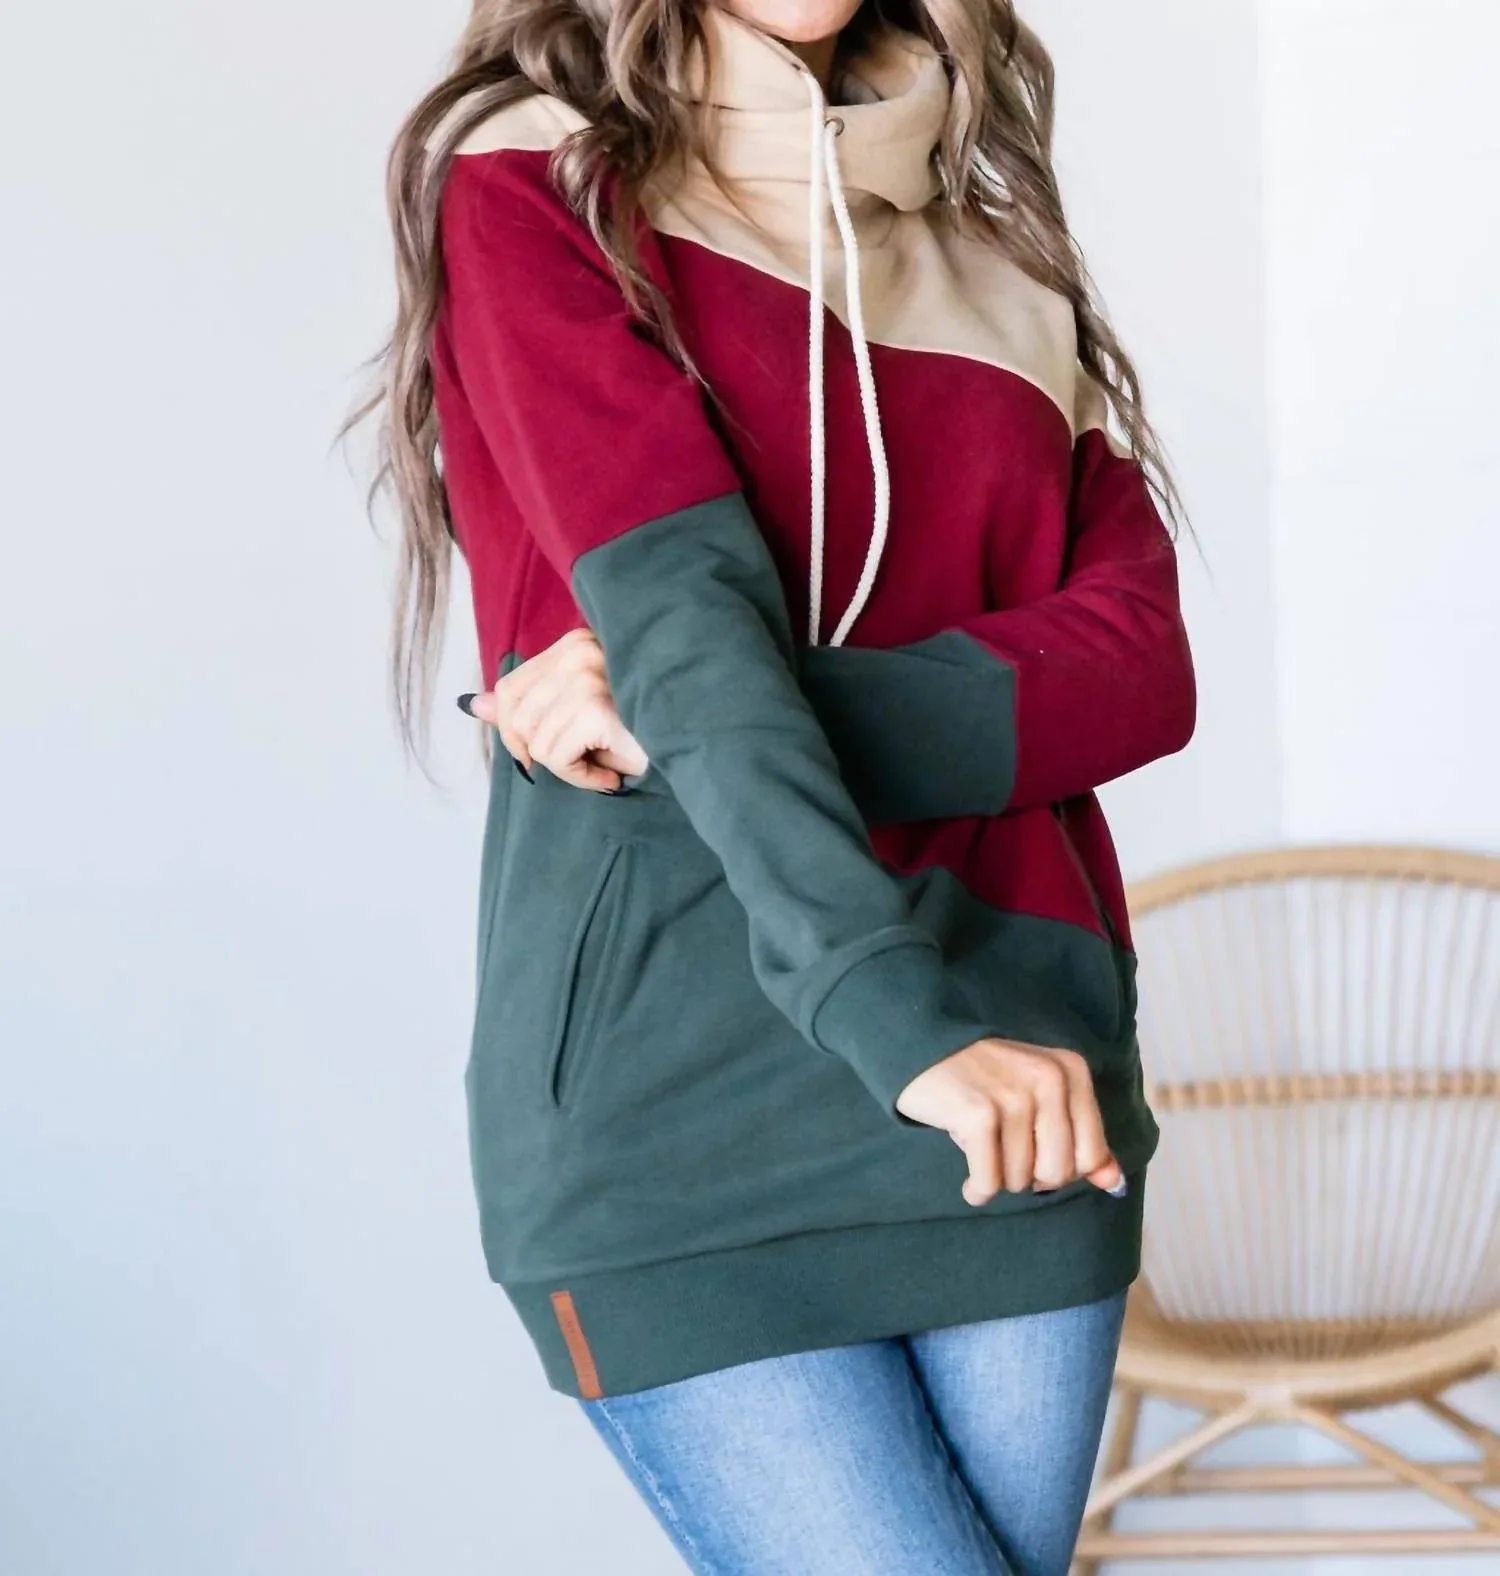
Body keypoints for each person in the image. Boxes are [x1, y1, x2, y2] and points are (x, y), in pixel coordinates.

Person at [362, 0, 1195, 1569]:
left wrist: (708, 709)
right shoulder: (535, 181)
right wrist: (899, 1023)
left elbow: (1140, 670)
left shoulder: (999, 266)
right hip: (682, 1101)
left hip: (1019, 1081)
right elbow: (686, 623)